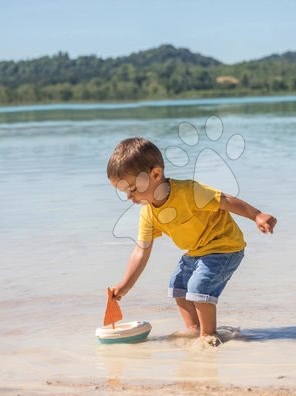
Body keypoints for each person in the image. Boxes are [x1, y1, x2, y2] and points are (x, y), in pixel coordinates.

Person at [107, 137, 277, 344]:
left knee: (198, 287)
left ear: (155, 174)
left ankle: (208, 336)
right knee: (178, 284)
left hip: (224, 247)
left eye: (132, 188)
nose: (129, 197)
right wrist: (125, 285)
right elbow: (141, 251)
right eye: (124, 191)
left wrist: (256, 215)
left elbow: (225, 201)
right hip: (196, 252)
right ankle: (194, 330)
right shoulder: (148, 214)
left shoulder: (189, 191)